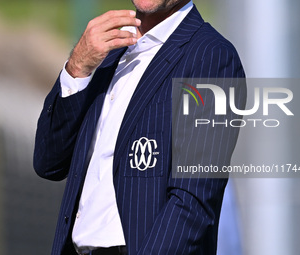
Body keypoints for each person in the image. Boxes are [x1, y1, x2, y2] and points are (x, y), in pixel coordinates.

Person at [33, 0, 246, 254]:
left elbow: (193, 201)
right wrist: (77, 67)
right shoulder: (106, 52)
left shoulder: (211, 56)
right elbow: (48, 162)